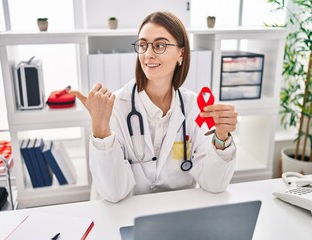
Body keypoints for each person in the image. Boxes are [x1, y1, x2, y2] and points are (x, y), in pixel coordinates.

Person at [71, 11, 238, 203]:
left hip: (177, 216)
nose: (148, 54)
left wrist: (222, 137)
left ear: (180, 53)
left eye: (159, 45)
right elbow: (113, 193)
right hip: (125, 216)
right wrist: (100, 128)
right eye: (143, 45)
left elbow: (214, 184)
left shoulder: (194, 107)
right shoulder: (115, 106)